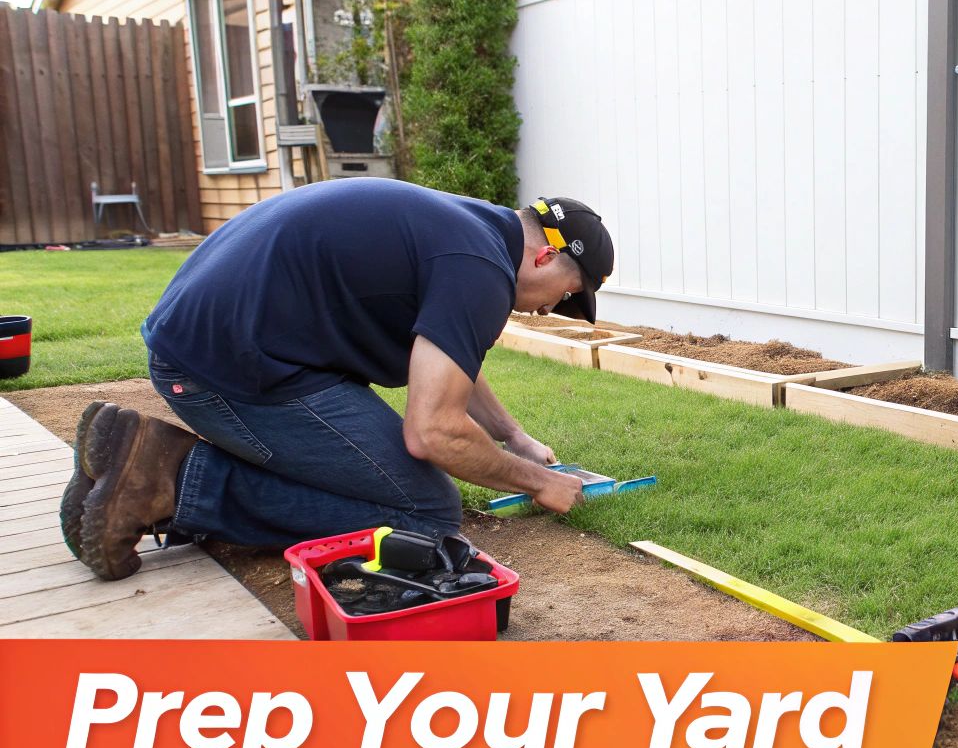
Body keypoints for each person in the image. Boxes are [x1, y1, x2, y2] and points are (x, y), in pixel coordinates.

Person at [59, 178, 615, 581]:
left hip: (220, 342)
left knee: (386, 479)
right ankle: (171, 478)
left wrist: (512, 435)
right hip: (225, 369)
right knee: (426, 514)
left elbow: (450, 361)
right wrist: (537, 482)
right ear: (545, 257)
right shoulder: (479, 268)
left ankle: (131, 474)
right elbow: (433, 432)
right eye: (567, 294)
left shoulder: (469, 230)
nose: (552, 310)